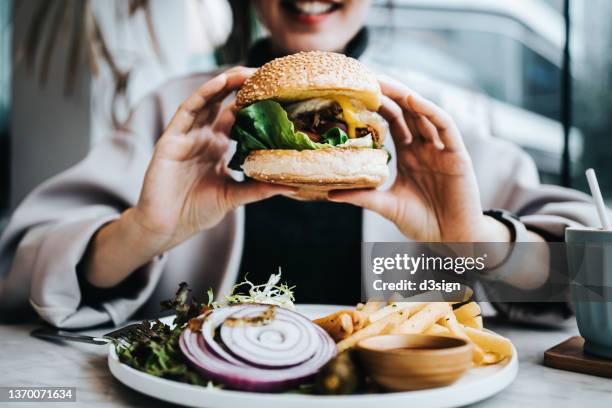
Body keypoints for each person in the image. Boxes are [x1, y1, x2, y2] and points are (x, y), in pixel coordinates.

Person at [0, 0, 600, 328]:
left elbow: (589, 280)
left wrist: (477, 239)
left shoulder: (436, 120)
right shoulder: (172, 112)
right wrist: (143, 233)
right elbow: (18, 276)